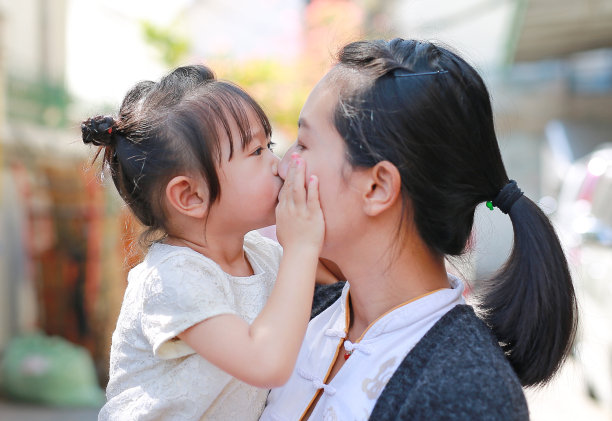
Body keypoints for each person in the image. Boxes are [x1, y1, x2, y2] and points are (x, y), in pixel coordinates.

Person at [261, 38, 578, 420]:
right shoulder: (306, 309)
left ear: (378, 188)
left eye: (304, 144)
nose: (282, 166)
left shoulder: (467, 396)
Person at [81, 65, 329, 420]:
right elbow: (264, 364)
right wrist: (302, 247)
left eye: (269, 144)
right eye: (257, 152)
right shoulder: (171, 279)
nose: (279, 164)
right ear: (190, 195)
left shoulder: (262, 254)